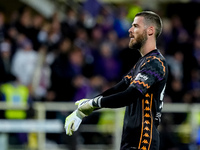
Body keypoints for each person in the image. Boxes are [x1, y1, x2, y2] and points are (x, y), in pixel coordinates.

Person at [64, 11, 168, 150]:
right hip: (131, 141)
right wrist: (87, 107)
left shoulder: (155, 62)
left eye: (135, 26)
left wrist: (94, 103)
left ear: (150, 30)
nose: (130, 30)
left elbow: (130, 95)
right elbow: (119, 88)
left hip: (143, 142)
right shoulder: (142, 63)